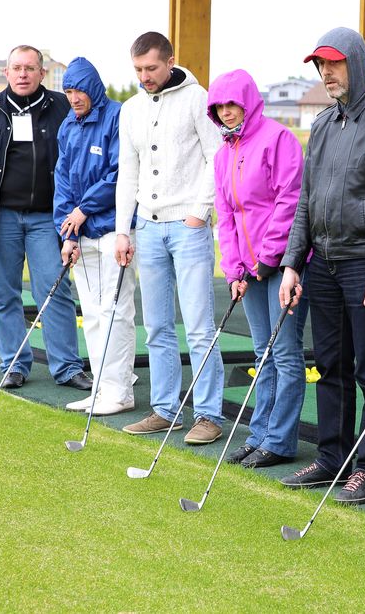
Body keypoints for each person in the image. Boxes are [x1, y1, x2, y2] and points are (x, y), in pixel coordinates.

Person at [277, 27, 365, 505]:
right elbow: (306, 200)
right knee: (330, 365)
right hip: (323, 264)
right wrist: (293, 263)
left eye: (334, 63)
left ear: (355, 62)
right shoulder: (321, 124)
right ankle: (332, 458)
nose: (326, 72)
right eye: (321, 65)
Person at [0, 45, 89, 392]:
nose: (23, 74)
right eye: (16, 68)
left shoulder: (62, 108)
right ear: (7, 73)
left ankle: (67, 367)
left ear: (43, 73)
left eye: (30, 68)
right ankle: (13, 365)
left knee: (54, 291)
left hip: (47, 219)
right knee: (3, 295)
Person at [114, 32, 225, 445]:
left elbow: (217, 157)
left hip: (188, 228)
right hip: (147, 227)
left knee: (198, 327)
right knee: (157, 326)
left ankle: (208, 415)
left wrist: (200, 212)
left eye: (151, 68)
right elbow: (129, 171)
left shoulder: (198, 99)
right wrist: (123, 229)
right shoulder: (130, 109)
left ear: (170, 61)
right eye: (138, 69)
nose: (145, 76)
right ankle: (165, 410)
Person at [207, 68, 307, 468]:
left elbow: (290, 200)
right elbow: (226, 215)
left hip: (282, 265)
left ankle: (280, 441)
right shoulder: (222, 154)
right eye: (220, 107)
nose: (227, 112)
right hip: (249, 269)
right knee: (261, 353)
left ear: (248, 102)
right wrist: (234, 270)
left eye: (233, 104)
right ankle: (259, 434)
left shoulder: (278, 139)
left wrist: (269, 258)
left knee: (284, 353)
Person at [53, 56, 137, 416]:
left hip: (114, 229)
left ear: (93, 88)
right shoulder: (67, 125)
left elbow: (120, 173)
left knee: (115, 311)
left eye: (79, 90)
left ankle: (120, 391)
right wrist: (67, 231)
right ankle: (102, 388)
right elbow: (62, 179)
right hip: (82, 233)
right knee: (91, 313)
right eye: (68, 92)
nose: (74, 98)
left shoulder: (117, 116)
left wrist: (83, 210)